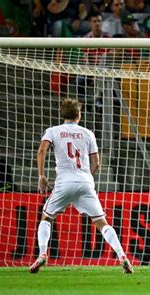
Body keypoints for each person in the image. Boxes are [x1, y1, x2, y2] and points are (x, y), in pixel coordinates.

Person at [30, 99, 133, 274]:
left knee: (46, 218)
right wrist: (86, 178)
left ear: (62, 114)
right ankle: (122, 256)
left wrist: (41, 175)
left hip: (64, 182)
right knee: (102, 223)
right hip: (85, 182)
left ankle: (42, 254)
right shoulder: (88, 133)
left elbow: (41, 150)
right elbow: (96, 163)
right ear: (79, 115)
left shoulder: (53, 131)